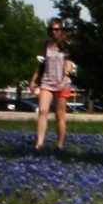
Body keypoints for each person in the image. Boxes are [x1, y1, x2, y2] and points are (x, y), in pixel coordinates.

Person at [28, 18, 73, 150]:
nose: (54, 32)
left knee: (59, 115)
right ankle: (39, 144)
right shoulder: (47, 45)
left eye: (57, 29)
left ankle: (59, 144)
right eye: (52, 29)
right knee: (42, 111)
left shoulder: (66, 45)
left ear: (61, 30)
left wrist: (64, 80)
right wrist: (33, 80)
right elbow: (41, 64)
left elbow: (68, 65)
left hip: (62, 83)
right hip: (47, 82)